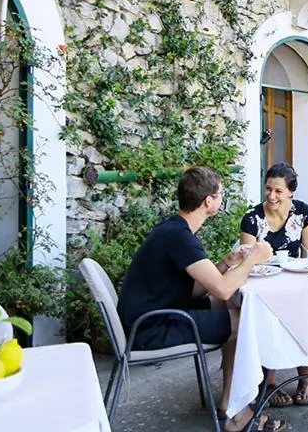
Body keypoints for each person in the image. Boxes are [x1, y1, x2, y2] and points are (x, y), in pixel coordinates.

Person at [117, 167, 284, 432]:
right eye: (220, 194)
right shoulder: (179, 237)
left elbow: (196, 289)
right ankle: (238, 413)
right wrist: (254, 257)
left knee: (232, 309)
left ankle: (230, 402)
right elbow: (222, 289)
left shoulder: (173, 229)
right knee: (244, 320)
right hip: (152, 328)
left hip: (157, 314)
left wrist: (226, 262)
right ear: (209, 201)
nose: (220, 199)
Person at [239, 162, 308, 409]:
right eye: (268, 189)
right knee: (268, 319)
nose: (271, 196)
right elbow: (246, 261)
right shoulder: (252, 219)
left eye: (278, 191)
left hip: (295, 282)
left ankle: (305, 380)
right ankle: (268, 383)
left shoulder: (304, 214)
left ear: (291, 192)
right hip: (263, 285)